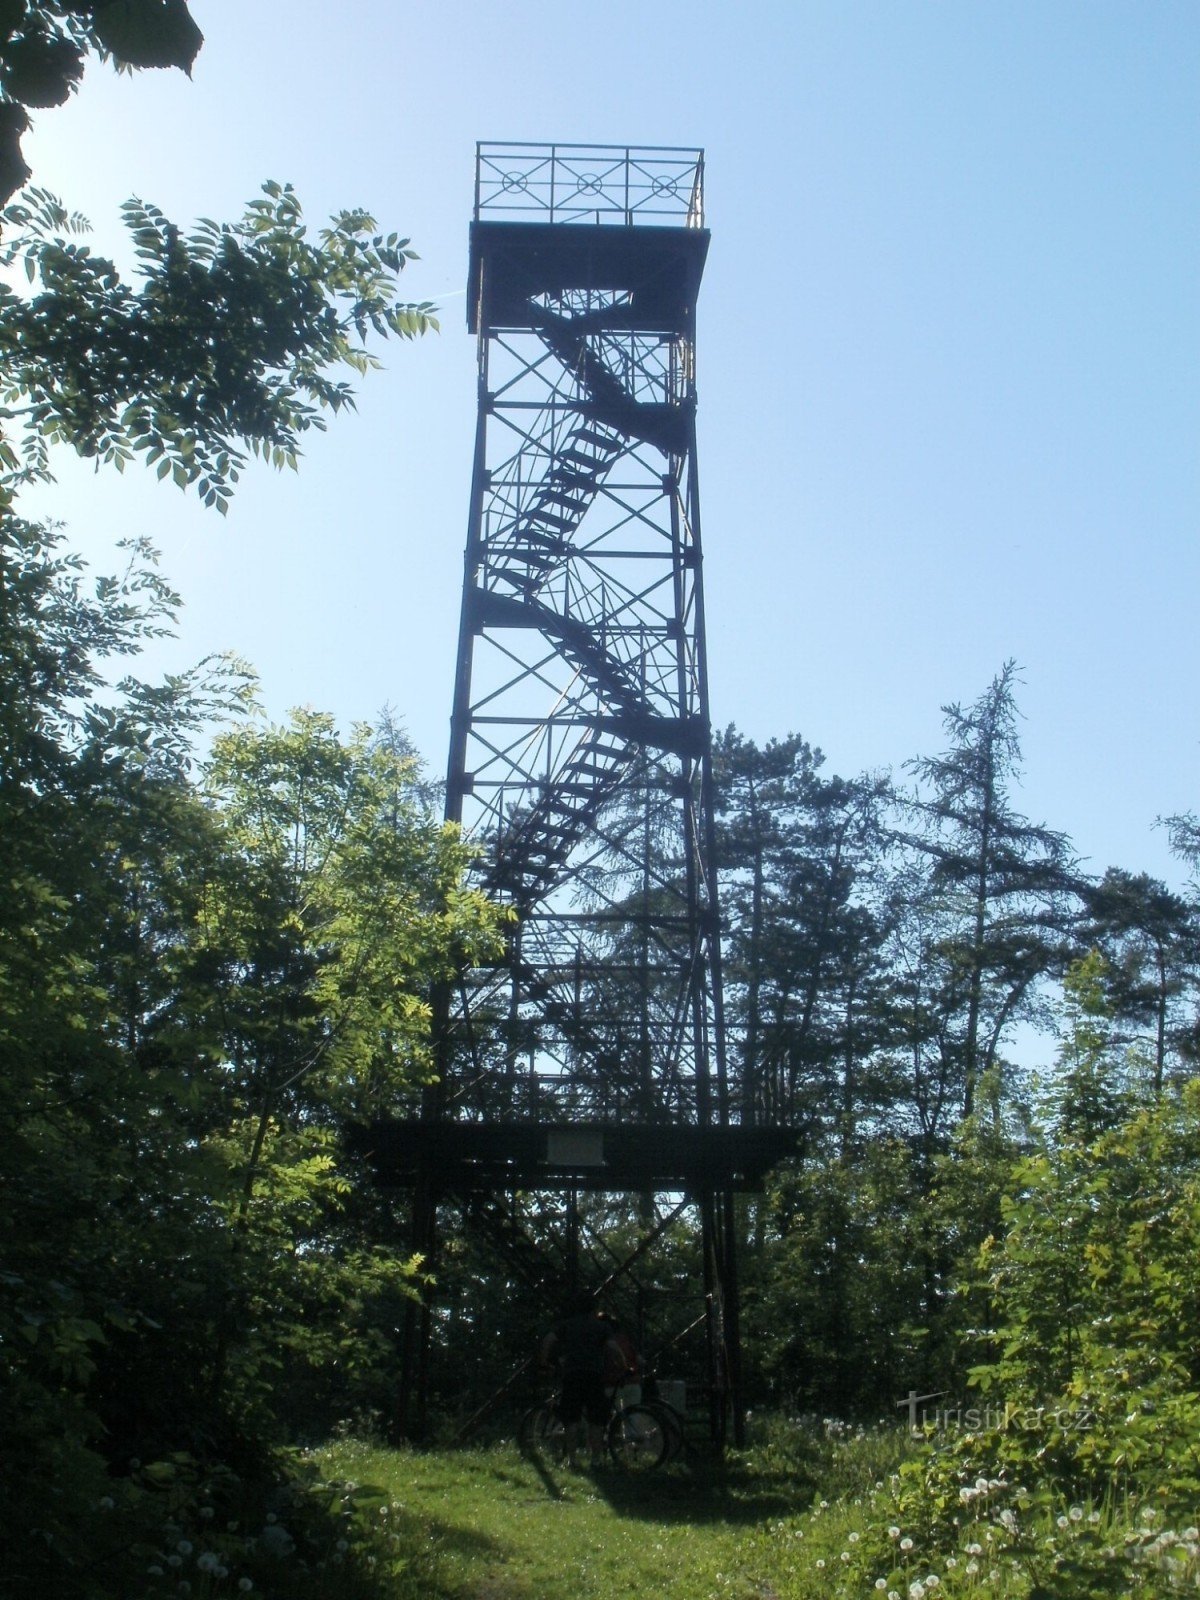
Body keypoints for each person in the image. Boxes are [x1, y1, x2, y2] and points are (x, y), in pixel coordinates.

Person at [539, 1295, 629, 1467]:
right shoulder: (602, 1327)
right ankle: (596, 1459)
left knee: (571, 1418)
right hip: (594, 1375)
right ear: (594, 1309)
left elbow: (548, 1340)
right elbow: (613, 1348)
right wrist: (624, 1367)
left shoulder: (567, 1325)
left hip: (572, 1374)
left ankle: (572, 1459)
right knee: (596, 1418)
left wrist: (544, 1363)